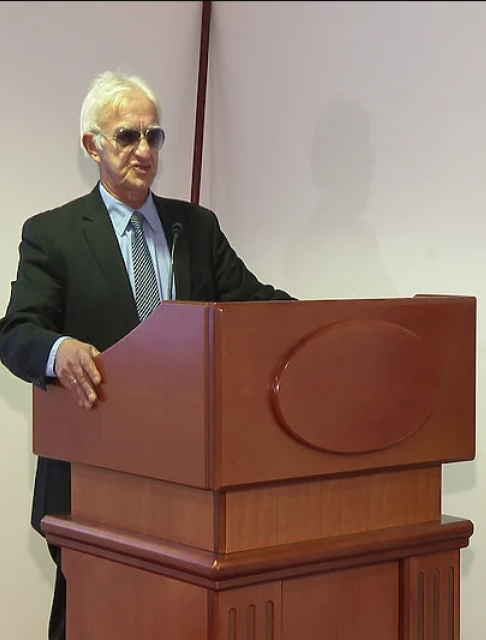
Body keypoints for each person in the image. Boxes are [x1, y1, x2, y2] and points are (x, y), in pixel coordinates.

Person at [0, 70, 295, 640]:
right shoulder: (54, 234)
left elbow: (253, 305)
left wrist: (316, 324)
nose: (144, 150)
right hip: (94, 480)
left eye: (153, 136)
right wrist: (59, 351)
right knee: (90, 620)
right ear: (93, 145)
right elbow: (17, 332)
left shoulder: (195, 227)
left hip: (191, 480)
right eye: (127, 136)